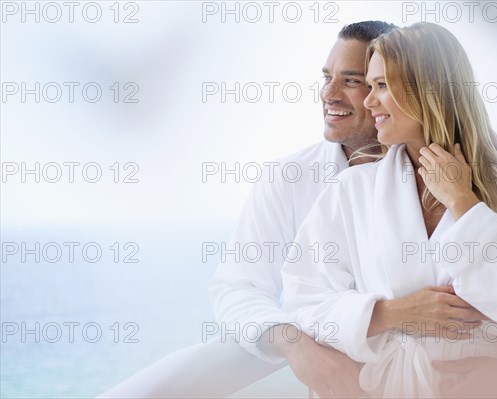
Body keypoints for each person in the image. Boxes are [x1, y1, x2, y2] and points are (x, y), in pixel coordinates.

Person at [98, 21, 397, 398]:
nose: (329, 93)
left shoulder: (436, 174)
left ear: (391, 90)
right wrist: (294, 343)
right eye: (326, 77)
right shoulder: (289, 178)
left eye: (351, 81)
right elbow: (239, 286)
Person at [281, 22, 497, 398]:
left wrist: (464, 204)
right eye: (369, 86)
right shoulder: (351, 192)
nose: (369, 102)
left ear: (431, 89)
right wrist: (391, 313)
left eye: (382, 86)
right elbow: (304, 298)